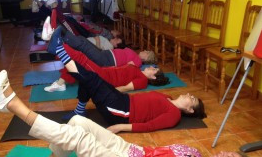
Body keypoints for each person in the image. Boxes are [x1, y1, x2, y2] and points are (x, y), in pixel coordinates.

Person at [0, 70, 258, 157]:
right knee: (78, 121)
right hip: (129, 153)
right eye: (229, 151)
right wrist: (121, 141)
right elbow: (152, 153)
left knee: (80, 140)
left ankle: (15, 107)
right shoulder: (194, 152)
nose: (224, 152)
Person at [44, 44, 205, 132]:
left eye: (192, 99)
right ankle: (79, 111)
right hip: (121, 100)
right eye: (192, 95)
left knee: (91, 78)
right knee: (91, 81)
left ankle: (59, 50)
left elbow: (149, 126)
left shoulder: (174, 114)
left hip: (121, 112)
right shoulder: (168, 99)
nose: (189, 94)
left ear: (190, 110)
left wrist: (120, 127)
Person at [44, 44, 164, 93]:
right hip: (105, 71)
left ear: (153, 76)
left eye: (154, 69)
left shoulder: (142, 81)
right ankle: (61, 83)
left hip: (104, 78)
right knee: (77, 63)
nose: (150, 67)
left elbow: (123, 88)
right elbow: (120, 69)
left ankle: (57, 45)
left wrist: (103, 91)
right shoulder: (137, 69)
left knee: (81, 58)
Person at [47, 25, 157, 68]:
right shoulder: (135, 55)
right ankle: (60, 37)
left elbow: (125, 69)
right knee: (83, 40)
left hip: (106, 60)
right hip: (105, 54)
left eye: (146, 52)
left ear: (146, 58)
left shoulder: (137, 62)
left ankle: (59, 35)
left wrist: (108, 70)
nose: (144, 50)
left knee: (83, 46)